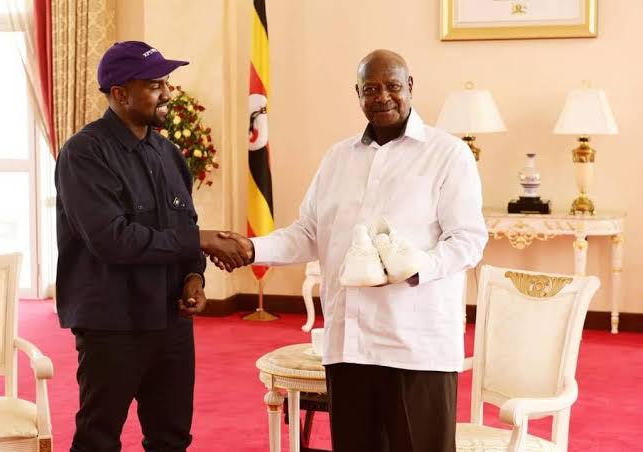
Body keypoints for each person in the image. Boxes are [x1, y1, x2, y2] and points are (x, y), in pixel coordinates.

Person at [217, 49, 488, 451]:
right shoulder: (337, 158)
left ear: (410, 86)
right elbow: (309, 233)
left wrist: (416, 267)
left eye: (392, 86)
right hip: (349, 346)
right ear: (357, 93)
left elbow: (468, 239)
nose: (383, 97)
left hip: (415, 348)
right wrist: (252, 248)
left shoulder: (447, 154)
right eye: (371, 89)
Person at [55, 41, 250, 452]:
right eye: (155, 84)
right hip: (112, 324)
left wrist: (194, 277)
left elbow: (185, 226)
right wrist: (199, 240)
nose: (167, 93)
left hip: (171, 322)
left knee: (172, 438)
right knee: (98, 440)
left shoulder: (169, 153)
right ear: (120, 94)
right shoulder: (83, 154)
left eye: (166, 83)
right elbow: (112, 240)